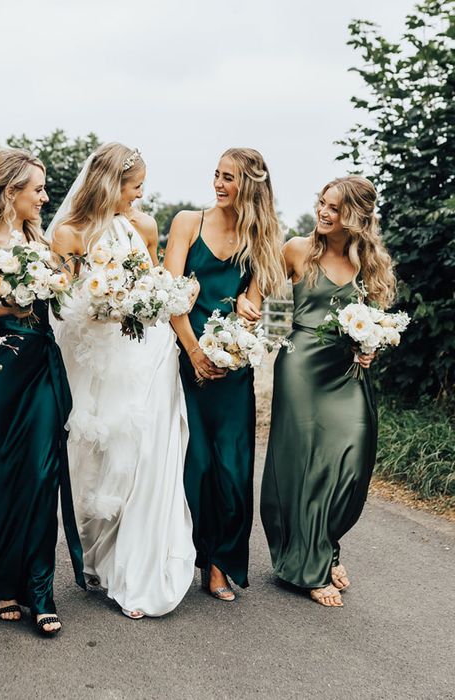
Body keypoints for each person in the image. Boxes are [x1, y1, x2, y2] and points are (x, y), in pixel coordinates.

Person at [48, 143, 195, 618]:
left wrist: (169, 295)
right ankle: (100, 558)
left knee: (146, 458)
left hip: (148, 356)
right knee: (98, 459)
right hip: (96, 358)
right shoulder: (69, 234)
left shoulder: (144, 226)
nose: (141, 195)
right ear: (112, 184)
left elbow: (152, 285)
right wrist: (100, 304)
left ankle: (137, 564)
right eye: (135, 186)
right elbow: (61, 304)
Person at [238, 176, 395, 607]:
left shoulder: (370, 264)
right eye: (323, 204)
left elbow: (375, 324)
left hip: (347, 373)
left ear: (357, 218)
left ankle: (324, 542)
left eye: (335, 208)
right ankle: (309, 565)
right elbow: (268, 299)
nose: (325, 213)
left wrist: (370, 350)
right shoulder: (297, 250)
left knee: (351, 460)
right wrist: (260, 326)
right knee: (306, 464)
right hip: (302, 366)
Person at [0, 147, 85, 635]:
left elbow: (62, 296)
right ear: (11, 192)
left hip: (40, 369)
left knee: (40, 474)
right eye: (38, 189)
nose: (46, 197)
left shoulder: (40, 240)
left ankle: (39, 590)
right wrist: (2, 308)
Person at [164, 148, 286, 601]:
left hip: (233, 367)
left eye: (229, 178)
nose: (218, 183)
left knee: (233, 472)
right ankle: (194, 561)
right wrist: (193, 352)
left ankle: (221, 563)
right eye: (216, 174)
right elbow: (169, 295)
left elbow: (254, 309)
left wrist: (245, 311)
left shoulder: (262, 238)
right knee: (194, 466)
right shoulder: (186, 223)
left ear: (249, 186)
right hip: (185, 360)